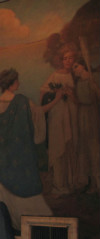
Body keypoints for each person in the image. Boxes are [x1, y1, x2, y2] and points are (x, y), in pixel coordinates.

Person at [0, 68, 63, 230]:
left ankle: (14, 225)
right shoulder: (21, 101)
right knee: (30, 198)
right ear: (12, 83)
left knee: (7, 199)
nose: (19, 83)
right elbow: (40, 113)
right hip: (20, 160)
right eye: (17, 81)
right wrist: (58, 99)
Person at [40, 42, 78, 195]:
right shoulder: (55, 75)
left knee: (70, 147)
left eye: (70, 58)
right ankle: (58, 183)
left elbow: (79, 99)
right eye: (65, 58)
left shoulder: (76, 75)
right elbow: (43, 92)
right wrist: (55, 97)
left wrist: (70, 94)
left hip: (72, 114)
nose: (68, 61)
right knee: (58, 147)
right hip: (57, 115)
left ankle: (70, 181)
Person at [72, 58, 100, 193]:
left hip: (93, 115)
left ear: (83, 66)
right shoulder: (79, 83)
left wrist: (96, 88)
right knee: (86, 150)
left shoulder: (94, 78)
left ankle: (97, 183)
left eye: (76, 66)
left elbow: (92, 99)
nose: (74, 70)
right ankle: (90, 182)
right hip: (83, 116)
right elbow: (80, 101)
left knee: (95, 149)